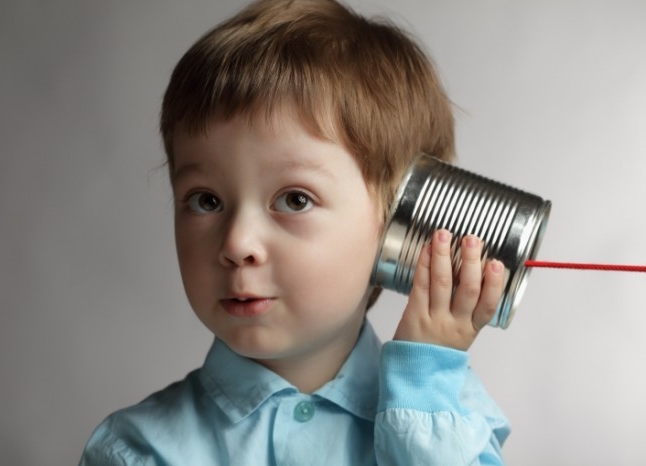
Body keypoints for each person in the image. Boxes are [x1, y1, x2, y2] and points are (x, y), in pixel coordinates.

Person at [79, 0, 511, 464]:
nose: (236, 244)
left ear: (401, 227)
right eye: (207, 201)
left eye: (295, 199)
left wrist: (423, 398)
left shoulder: (452, 421)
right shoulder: (138, 451)